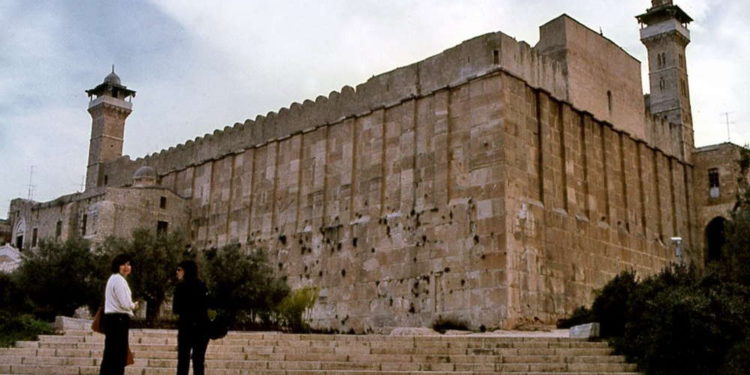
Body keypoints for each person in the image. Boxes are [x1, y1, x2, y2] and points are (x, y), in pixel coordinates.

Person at [100, 254, 138, 375]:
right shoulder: (119, 280)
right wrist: (133, 305)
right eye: (123, 264)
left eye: (128, 264)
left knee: (111, 354)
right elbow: (124, 303)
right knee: (118, 355)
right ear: (117, 266)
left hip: (112, 319)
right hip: (118, 319)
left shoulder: (113, 279)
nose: (126, 267)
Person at [173, 260, 210, 375]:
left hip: (186, 328)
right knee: (199, 361)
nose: (177, 272)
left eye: (179, 270)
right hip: (202, 329)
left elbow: (176, 309)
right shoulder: (202, 286)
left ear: (186, 271)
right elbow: (210, 307)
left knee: (183, 361)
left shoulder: (180, 287)